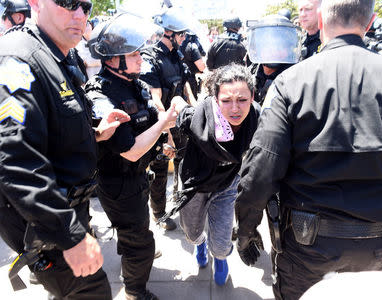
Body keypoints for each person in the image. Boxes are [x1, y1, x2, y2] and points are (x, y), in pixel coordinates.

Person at [234, 0, 382, 299]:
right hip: (377, 247)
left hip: (306, 250)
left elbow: (261, 174)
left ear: (321, 19)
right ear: (369, 22)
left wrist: (246, 229)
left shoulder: (290, 83)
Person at [0, 0, 132, 299]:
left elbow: (53, 126)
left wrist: (95, 131)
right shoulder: (18, 58)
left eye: (85, 6)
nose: (80, 14)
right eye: (67, 2)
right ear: (35, 2)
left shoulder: (59, 54)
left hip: (69, 210)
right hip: (46, 224)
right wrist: (69, 236)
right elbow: (14, 159)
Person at [85, 13, 177, 300]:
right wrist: (164, 123)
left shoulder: (133, 84)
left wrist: (165, 133)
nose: (140, 58)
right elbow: (130, 148)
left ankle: (131, 251)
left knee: (135, 229)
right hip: (118, 183)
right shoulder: (101, 95)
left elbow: (153, 114)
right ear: (112, 59)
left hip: (137, 177)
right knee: (141, 242)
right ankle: (135, 291)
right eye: (133, 53)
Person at [170, 64, 260, 286]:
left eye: (242, 100)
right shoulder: (198, 117)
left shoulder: (257, 117)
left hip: (227, 185)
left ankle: (219, 258)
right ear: (215, 99)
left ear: (252, 97)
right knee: (191, 234)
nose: (235, 108)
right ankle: (200, 244)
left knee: (220, 245)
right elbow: (177, 104)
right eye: (226, 101)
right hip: (195, 186)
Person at [141, 7, 197, 231]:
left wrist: (197, 111)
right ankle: (159, 213)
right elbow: (156, 99)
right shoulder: (150, 58)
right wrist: (166, 132)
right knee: (161, 169)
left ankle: (180, 200)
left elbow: (185, 87)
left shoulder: (177, 56)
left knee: (185, 163)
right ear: (169, 34)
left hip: (179, 119)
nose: (184, 39)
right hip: (160, 122)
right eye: (181, 34)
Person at [246, 14, 301, 104]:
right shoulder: (249, 75)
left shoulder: (296, 79)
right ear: (258, 49)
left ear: (288, 50)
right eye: (268, 45)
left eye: (281, 46)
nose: (274, 51)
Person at [180, 32, 206, 98]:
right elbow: (201, 67)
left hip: (177, 80)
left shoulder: (176, 45)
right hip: (189, 80)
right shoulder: (192, 46)